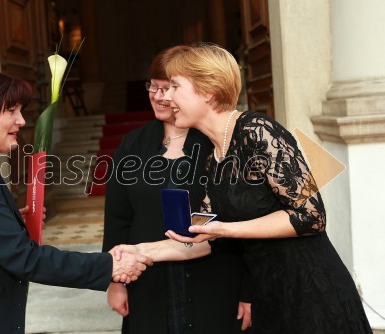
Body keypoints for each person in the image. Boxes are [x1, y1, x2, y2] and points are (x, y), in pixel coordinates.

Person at [113, 43, 372, 333]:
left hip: (309, 289)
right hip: (269, 294)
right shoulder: (215, 155)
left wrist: (226, 229)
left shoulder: (256, 131)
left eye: (174, 87)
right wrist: (138, 251)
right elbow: (205, 237)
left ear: (207, 91)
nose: (166, 97)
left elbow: (311, 216)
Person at [0, 69, 152, 334]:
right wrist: (109, 266)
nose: (21, 120)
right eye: (11, 110)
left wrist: (9, 223)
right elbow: (23, 258)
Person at [102, 45, 251, 333]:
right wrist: (114, 280)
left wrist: (249, 291)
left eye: (168, 87)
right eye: (153, 87)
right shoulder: (133, 144)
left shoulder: (216, 141)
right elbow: (118, 219)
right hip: (148, 283)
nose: (159, 96)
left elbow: (243, 220)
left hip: (217, 281)